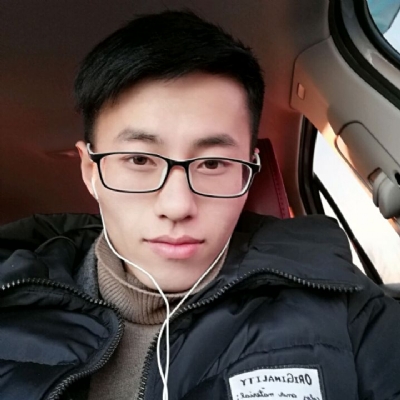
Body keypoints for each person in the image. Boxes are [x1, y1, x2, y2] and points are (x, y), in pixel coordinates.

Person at [0, 9, 400, 400]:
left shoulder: (345, 309)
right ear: (91, 172)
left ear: (247, 175)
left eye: (212, 164)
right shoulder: (11, 304)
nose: (177, 206)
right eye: (139, 159)